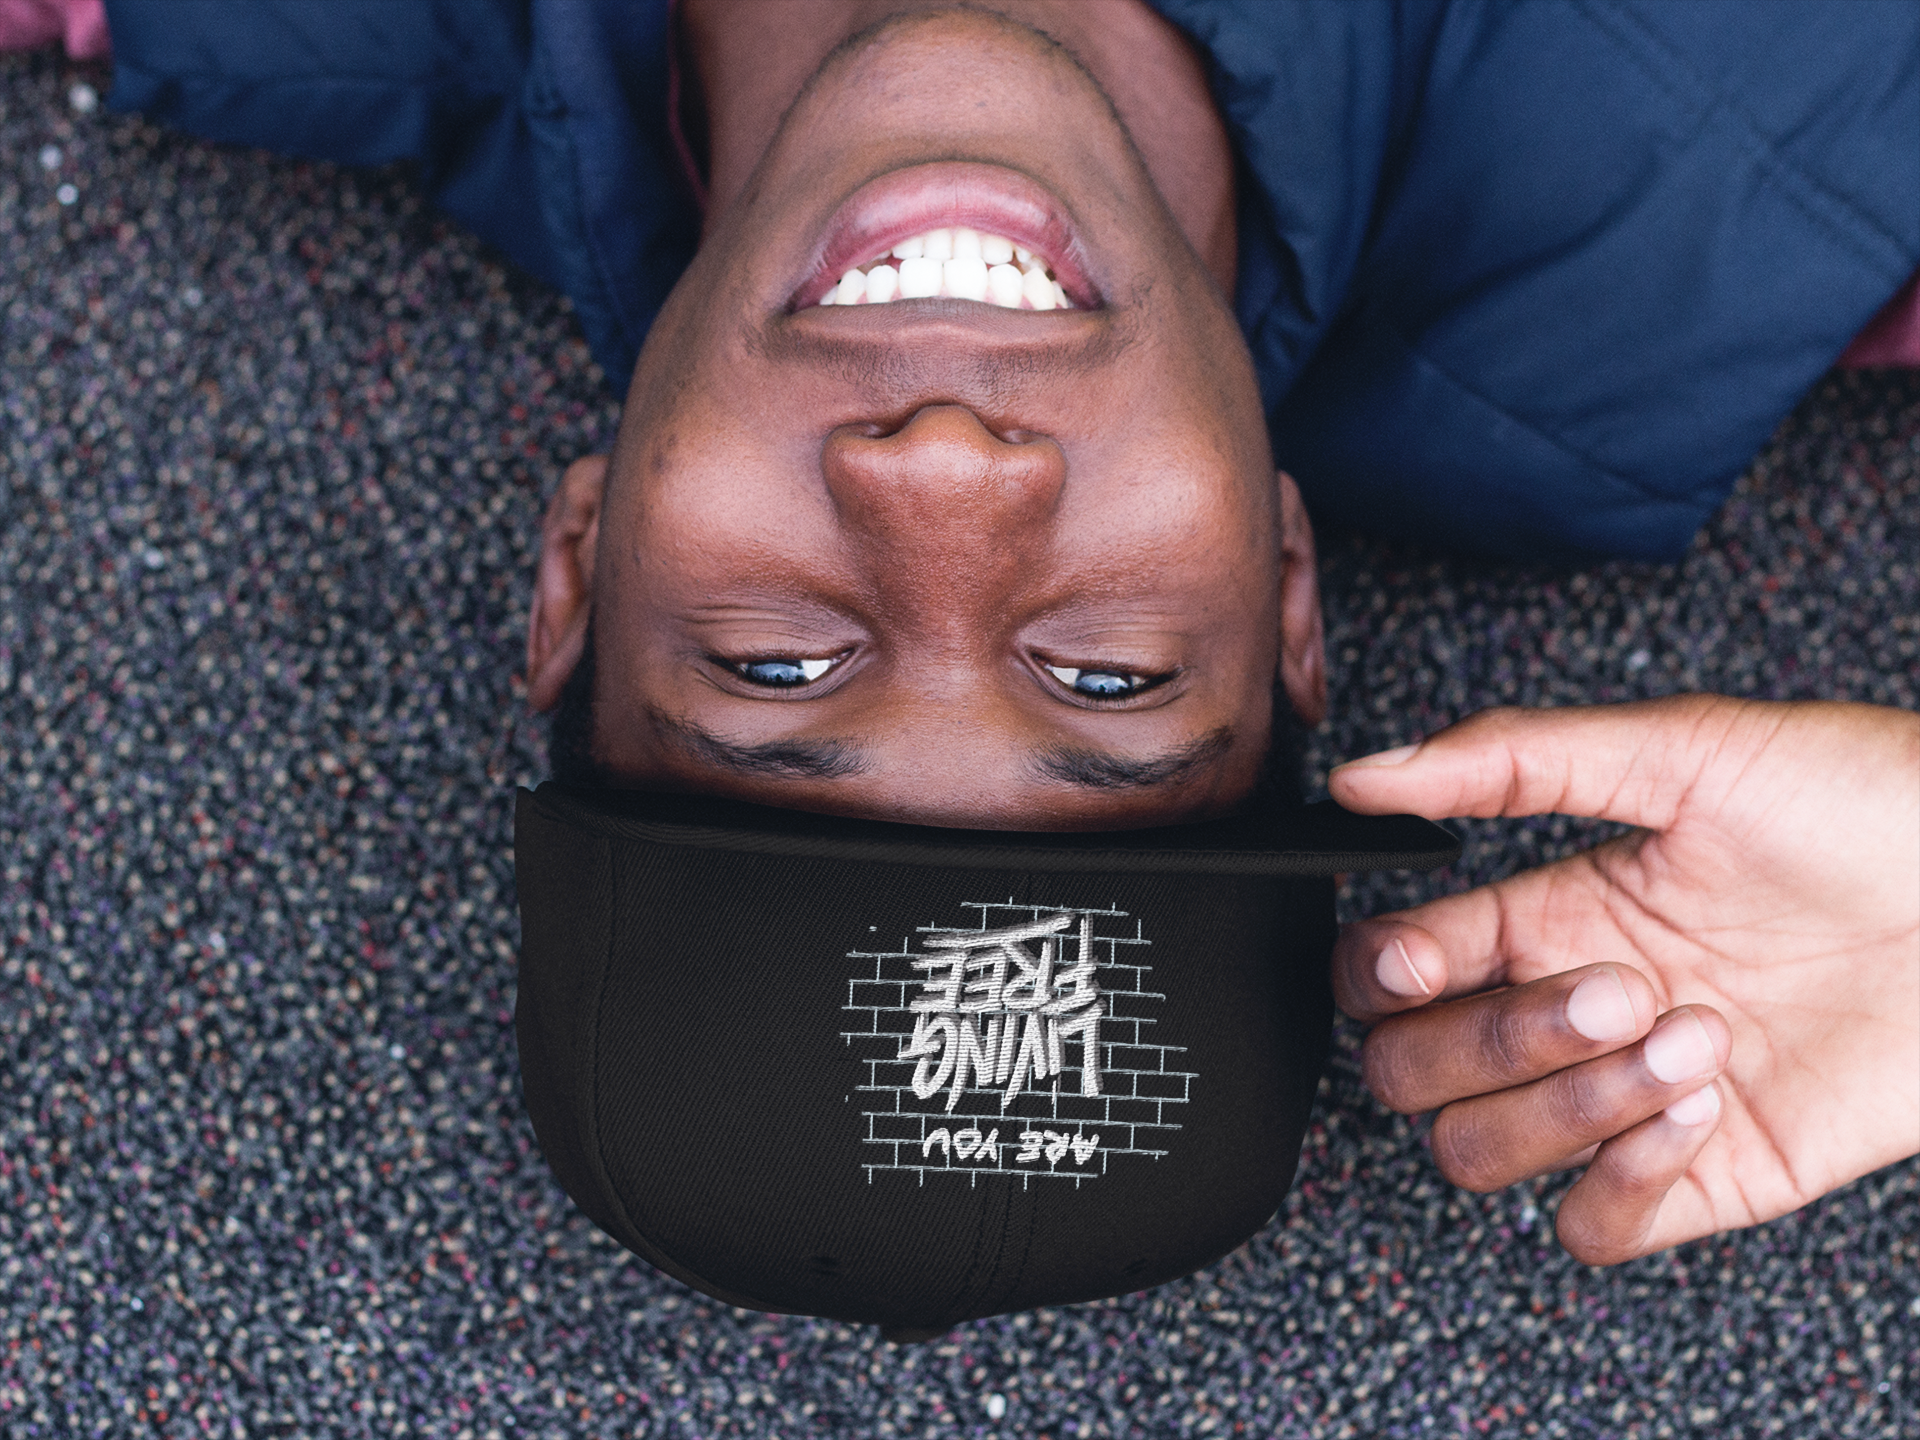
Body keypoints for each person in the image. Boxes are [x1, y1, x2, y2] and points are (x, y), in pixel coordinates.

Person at [71, 0, 1920, 1268]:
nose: (946, 474)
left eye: (777, 665)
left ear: (576, 566)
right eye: (1103, 674)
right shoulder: (1750, 221)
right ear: (1286, 592)